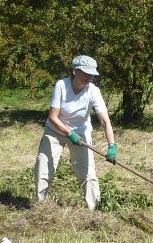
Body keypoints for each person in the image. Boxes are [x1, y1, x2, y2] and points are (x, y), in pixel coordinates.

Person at [35, 55, 117, 210]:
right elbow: (53, 117)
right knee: (43, 168)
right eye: (85, 73)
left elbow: (105, 121)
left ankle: (94, 210)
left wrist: (111, 145)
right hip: (54, 131)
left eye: (92, 74)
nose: (89, 77)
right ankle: (40, 207)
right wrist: (69, 133)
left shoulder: (93, 91)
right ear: (74, 71)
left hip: (81, 134)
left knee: (87, 173)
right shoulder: (61, 86)